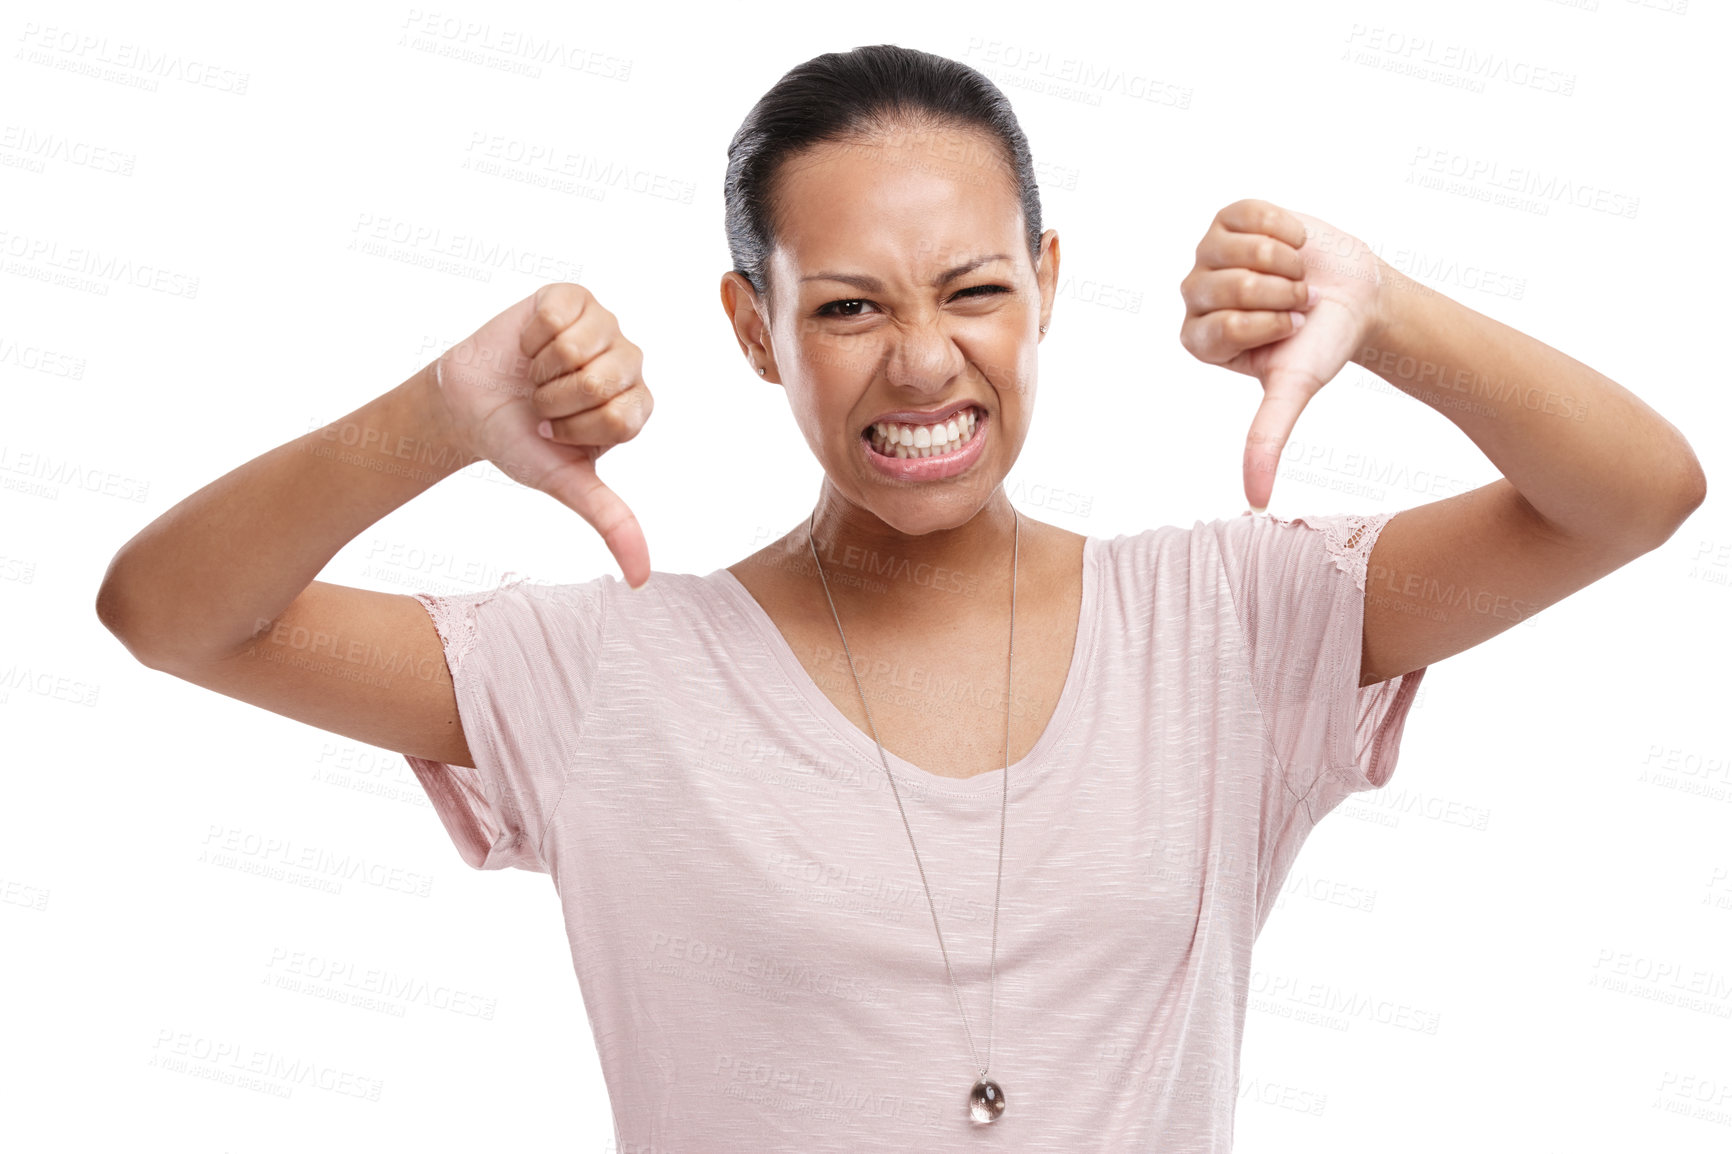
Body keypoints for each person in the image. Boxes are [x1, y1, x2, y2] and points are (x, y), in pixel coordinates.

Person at [95, 42, 1704, 1153]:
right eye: (850, 305)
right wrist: (439, 415)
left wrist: (1394, 313)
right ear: (753, 326)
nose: (925, 359)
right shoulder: (606, 676)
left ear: (1049, 287)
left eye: (977, 289)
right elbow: (173, 613)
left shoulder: (1231, 626)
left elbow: (1634, 496)